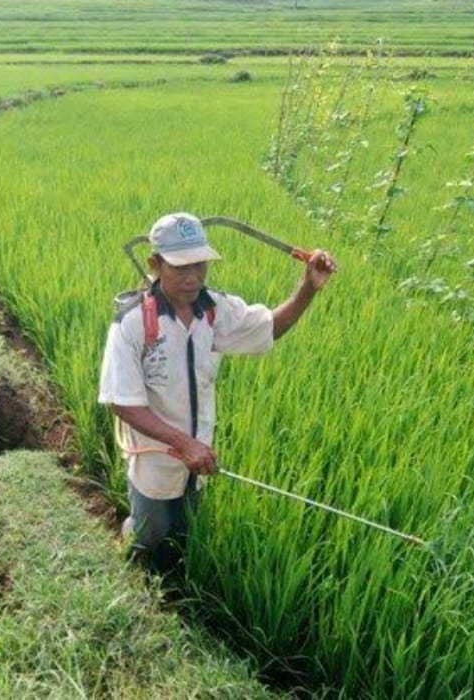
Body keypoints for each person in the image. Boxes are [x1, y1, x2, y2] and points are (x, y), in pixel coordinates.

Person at [98, 212, 336, 578]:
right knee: (152, 532)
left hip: (200, 455)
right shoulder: (133, 323)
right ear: (155, 264)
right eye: (181, 267)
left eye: (200, 264)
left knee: (185, 530)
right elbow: (121, 401)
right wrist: (183, 443)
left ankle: (174, 585)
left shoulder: (213, 310)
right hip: (156, 459)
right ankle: (131, 572)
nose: (193, 277)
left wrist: (308, 288)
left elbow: (268, 329)